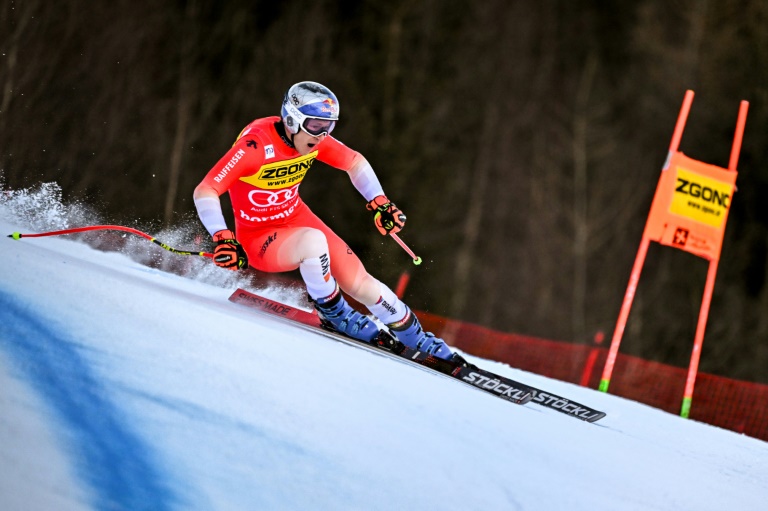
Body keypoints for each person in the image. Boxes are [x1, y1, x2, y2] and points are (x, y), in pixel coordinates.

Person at [194, 81, 464, 364]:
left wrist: (380, 202)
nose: (322, 135)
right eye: (315, 125)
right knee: (314, 242)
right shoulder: (256, 145)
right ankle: (334, 312)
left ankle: (416, 336)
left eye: (329, 126)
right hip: (259, 238)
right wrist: (223, 236)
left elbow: (355, 162)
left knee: (360, 282)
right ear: (291, 119)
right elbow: (206, 189)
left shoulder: (310, 140)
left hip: (296, 218)